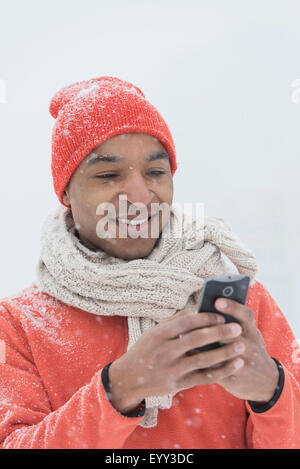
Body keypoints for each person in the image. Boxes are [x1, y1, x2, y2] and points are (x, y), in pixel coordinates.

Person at [0, 76, 299, 449]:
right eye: (107, 175)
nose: (140, 196)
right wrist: (118, 390)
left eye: (156, 172)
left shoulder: (242, 306)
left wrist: (271, 390)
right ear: (65, 192)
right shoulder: (18, 326)